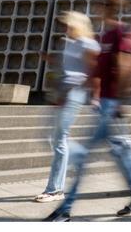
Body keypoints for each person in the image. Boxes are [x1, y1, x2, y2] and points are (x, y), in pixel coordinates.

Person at [46, 0, 131, 222]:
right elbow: (95, 72)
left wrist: (120, 101)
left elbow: (128, 67)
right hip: (104, 105)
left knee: (85, 155)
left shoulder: (122, 32)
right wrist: (76, 90)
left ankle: (65, 210)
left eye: (99, 7)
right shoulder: (105, 36)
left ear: (109, 9)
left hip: (112, 106)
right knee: (122, 152)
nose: (96, 11)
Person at [34, 11, 100, 203]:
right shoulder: (70, 44)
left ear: (78, 25)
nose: (66, 28)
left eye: (69, 25)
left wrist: (95, 96)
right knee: (49, 138)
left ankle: (55, 190)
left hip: (74, 93)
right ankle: (80, 157)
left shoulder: (89, 44)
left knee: (60, 140)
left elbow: (94, 71)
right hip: (62, 92)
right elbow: (69, 67)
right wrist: (50, 60)